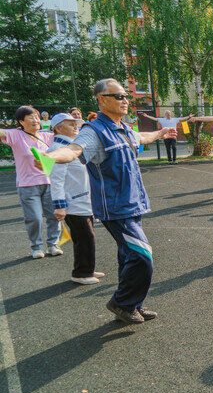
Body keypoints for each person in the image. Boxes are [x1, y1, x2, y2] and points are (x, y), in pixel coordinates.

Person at [45, 78, 177, 324]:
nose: (125, 100)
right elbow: (74, 150)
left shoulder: (123, 128)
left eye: (126, 96)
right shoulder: (93, 131)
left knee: (128, 256)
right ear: (102, 100)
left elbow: (142, 138)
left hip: (133, 204)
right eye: (118, 96)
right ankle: (121, 303)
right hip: (116, 209)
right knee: (142, 256)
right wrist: (49, 157)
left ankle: (132, 304)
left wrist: (161, 132)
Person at [47, 113, 105, 285]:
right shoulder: (57, 149)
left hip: (82, 201)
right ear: (58, 128)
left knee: (87, 237)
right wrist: (59, 206)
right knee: (85, 238)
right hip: (72, 203)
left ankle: (87, 268)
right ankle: (81, 273)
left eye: (76, 124)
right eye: (70, 124)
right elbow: (56, 180)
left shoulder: (72, 147)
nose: (75, 126)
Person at [0, 106, 62, 258]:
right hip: (27, 185)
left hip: (49, 183)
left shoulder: (46, 136)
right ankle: (36, 247)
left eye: (36, 117)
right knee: (34, 218)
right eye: (31, 117)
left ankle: (53, 244)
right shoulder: (16, 135)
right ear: (21, 121)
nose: (36, 120)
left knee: (54, 215)